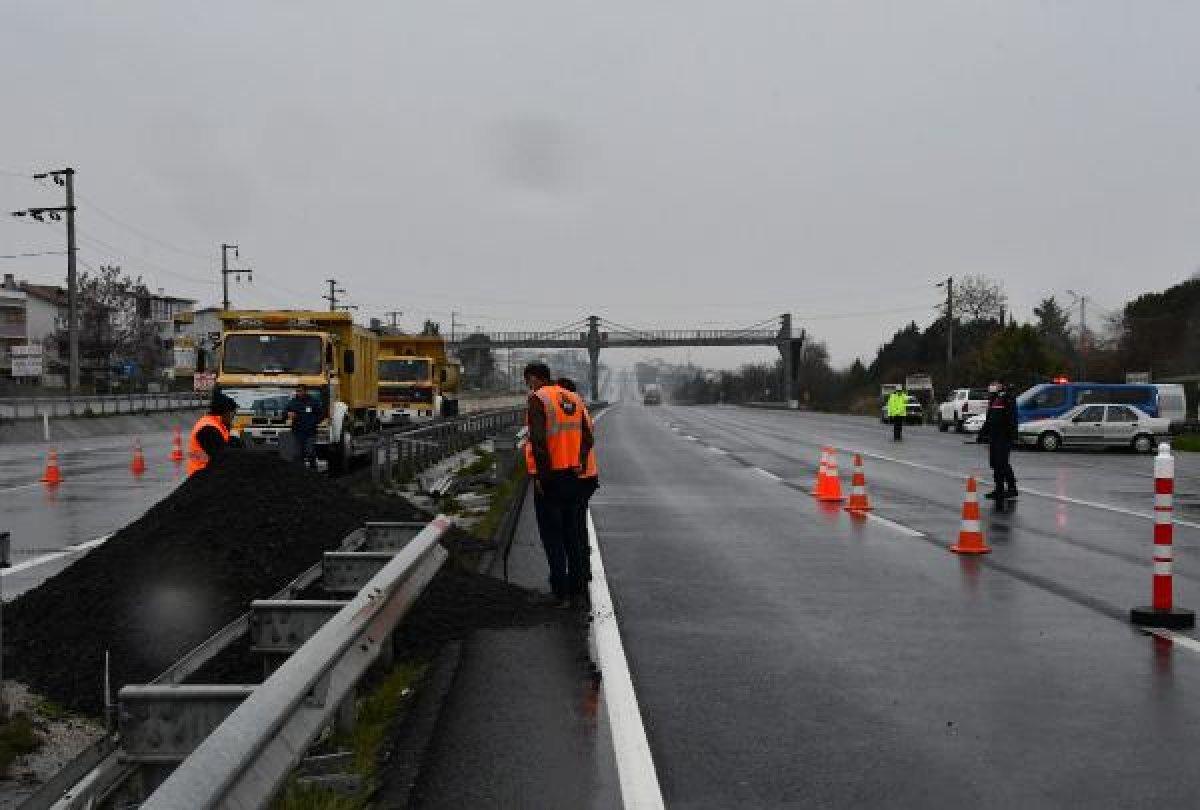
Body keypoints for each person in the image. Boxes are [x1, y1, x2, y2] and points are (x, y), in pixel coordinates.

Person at [525, 363, 594, 609]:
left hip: (551, 478)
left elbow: (539, 442)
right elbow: (588, 436)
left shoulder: (538, 399)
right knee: (571, 534)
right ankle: (578, 588)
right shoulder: (574, 398)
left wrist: (542, 478)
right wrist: (580, 462)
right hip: (574, 477)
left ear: (533, 379)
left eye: (528, 382)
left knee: (552, 537)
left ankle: (560, 591)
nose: (528, 387)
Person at [558, 377, 599, 581]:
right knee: (577, 524)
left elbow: (583, 441)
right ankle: (583, 569)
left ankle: (579, 572)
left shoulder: (571, 411)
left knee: (573, 526)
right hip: (587, 476)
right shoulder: (581, 408)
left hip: (578, 476)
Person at [979, 381, 1019, 502]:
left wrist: (1011, 435)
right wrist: (982, 433)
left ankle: (1012, 488)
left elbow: (1012, 418)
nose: (991, 388)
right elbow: (989, 419)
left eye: (994, 386)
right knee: (995, 463)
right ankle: (999, 488)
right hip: (994, 436)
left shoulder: (1007, 399)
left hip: (1004, 436)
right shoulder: (993, 400)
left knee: (1002, 463)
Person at [187, 392, 238, 476]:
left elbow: (227, 444)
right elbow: (222, 456)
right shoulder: (207, 428)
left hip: (207, 473)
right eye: (233, 414)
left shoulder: (216, 424)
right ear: (225, 412)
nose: (233, 418)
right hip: (201, 475)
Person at [285, 383, 324, 470]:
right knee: (298, 454)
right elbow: (285, 413)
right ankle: (301, 473)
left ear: (305, 391)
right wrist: (288, 414)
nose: (298, 393)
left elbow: (321, 414)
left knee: (310, 452)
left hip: (310, 432)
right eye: (297, 391)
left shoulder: (313, 402)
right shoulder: (293, 402)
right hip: (297, 432)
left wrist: (314, 422)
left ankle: (313, 469)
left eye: (300, 391)